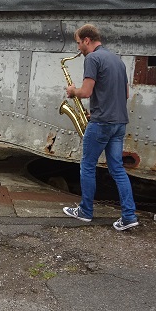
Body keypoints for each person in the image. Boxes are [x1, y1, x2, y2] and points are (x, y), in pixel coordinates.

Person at [62, 24, 138, 231]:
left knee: (87, 165)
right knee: (117, 170)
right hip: (119, 122)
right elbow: (125, 95)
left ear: (87, 40)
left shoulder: (92, 59)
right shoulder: (118, 60)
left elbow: (86, 92)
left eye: (78, 42)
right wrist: (96, 110)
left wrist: (72, 91)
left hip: (102, 123)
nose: (78, 48)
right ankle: (129, 216)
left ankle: (85, 211)